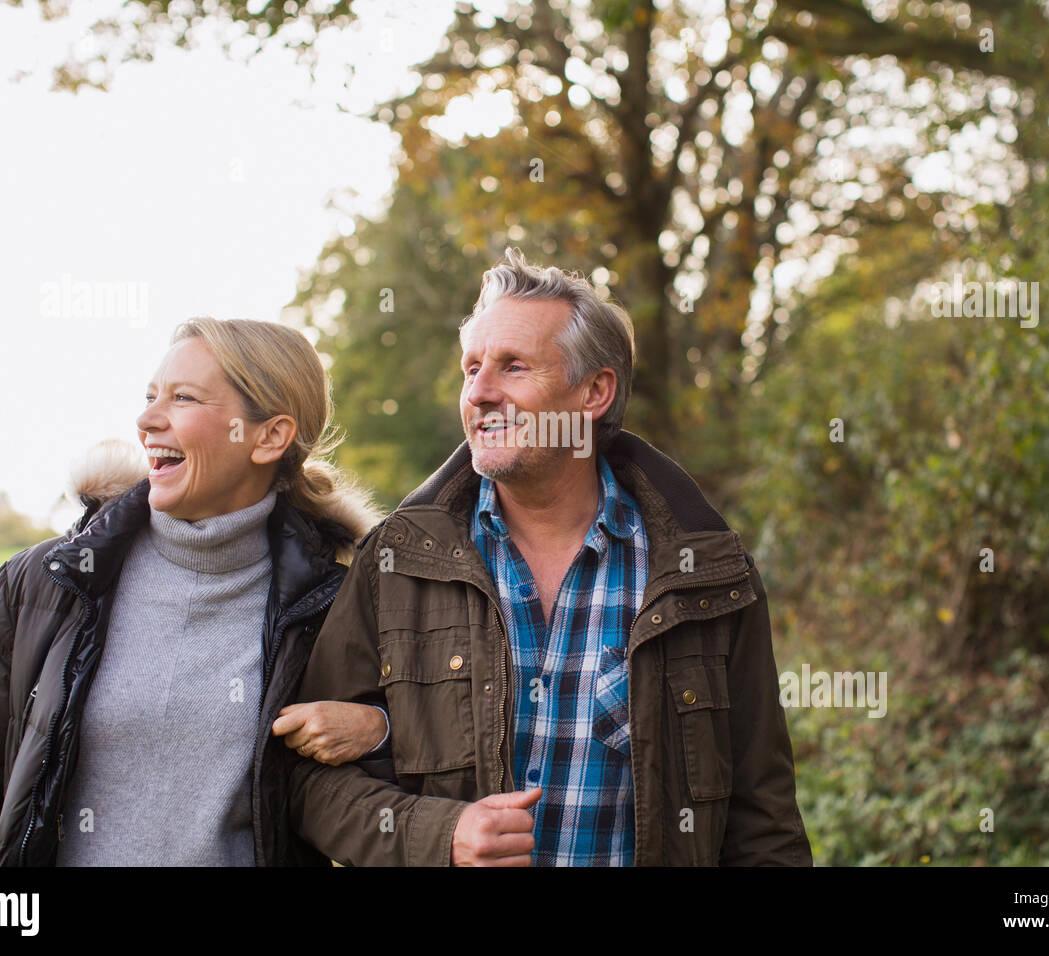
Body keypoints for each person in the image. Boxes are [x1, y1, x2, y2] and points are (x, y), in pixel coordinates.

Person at [285, 249, 812, 865]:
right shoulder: (396, 565)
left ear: (593, 392)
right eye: (471, 368)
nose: (479, 393)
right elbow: (308, 784)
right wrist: (440, 836)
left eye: (513, 367)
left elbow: (762, 818)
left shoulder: (704, 574)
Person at [0, 317, 389, 866]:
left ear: (269, 436)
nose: (146, 420)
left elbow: (404, 783)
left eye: (183, 399)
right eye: (149, 397)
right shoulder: (44, 584)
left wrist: (378, 732)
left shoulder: (336, 604)